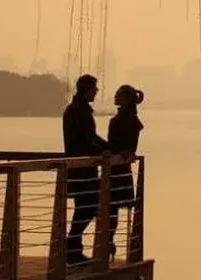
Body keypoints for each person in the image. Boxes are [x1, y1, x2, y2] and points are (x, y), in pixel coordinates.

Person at [62, 73, 108, 263]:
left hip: (84, 166)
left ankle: (73, 248)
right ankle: (71, 247)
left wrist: (107, 148)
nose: (96, 92)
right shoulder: (77, 111)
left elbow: (91, 137)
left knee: (85, 207)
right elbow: (86, 138)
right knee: (87, 207)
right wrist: (105, 150)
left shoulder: (77, 109)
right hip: (81, 166)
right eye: (94, 88)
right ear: (87, 89)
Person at [105, 85, 145, 248]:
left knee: (111, 207)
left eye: (118, 95)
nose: (115, 97)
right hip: (115, 167)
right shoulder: (123, 119)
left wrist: (124, 153)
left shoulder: (129, 120)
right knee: (110, 208)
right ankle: (108, 241)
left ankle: (108, 241)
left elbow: (129, 147)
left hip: (119, 169)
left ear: (127, 100)